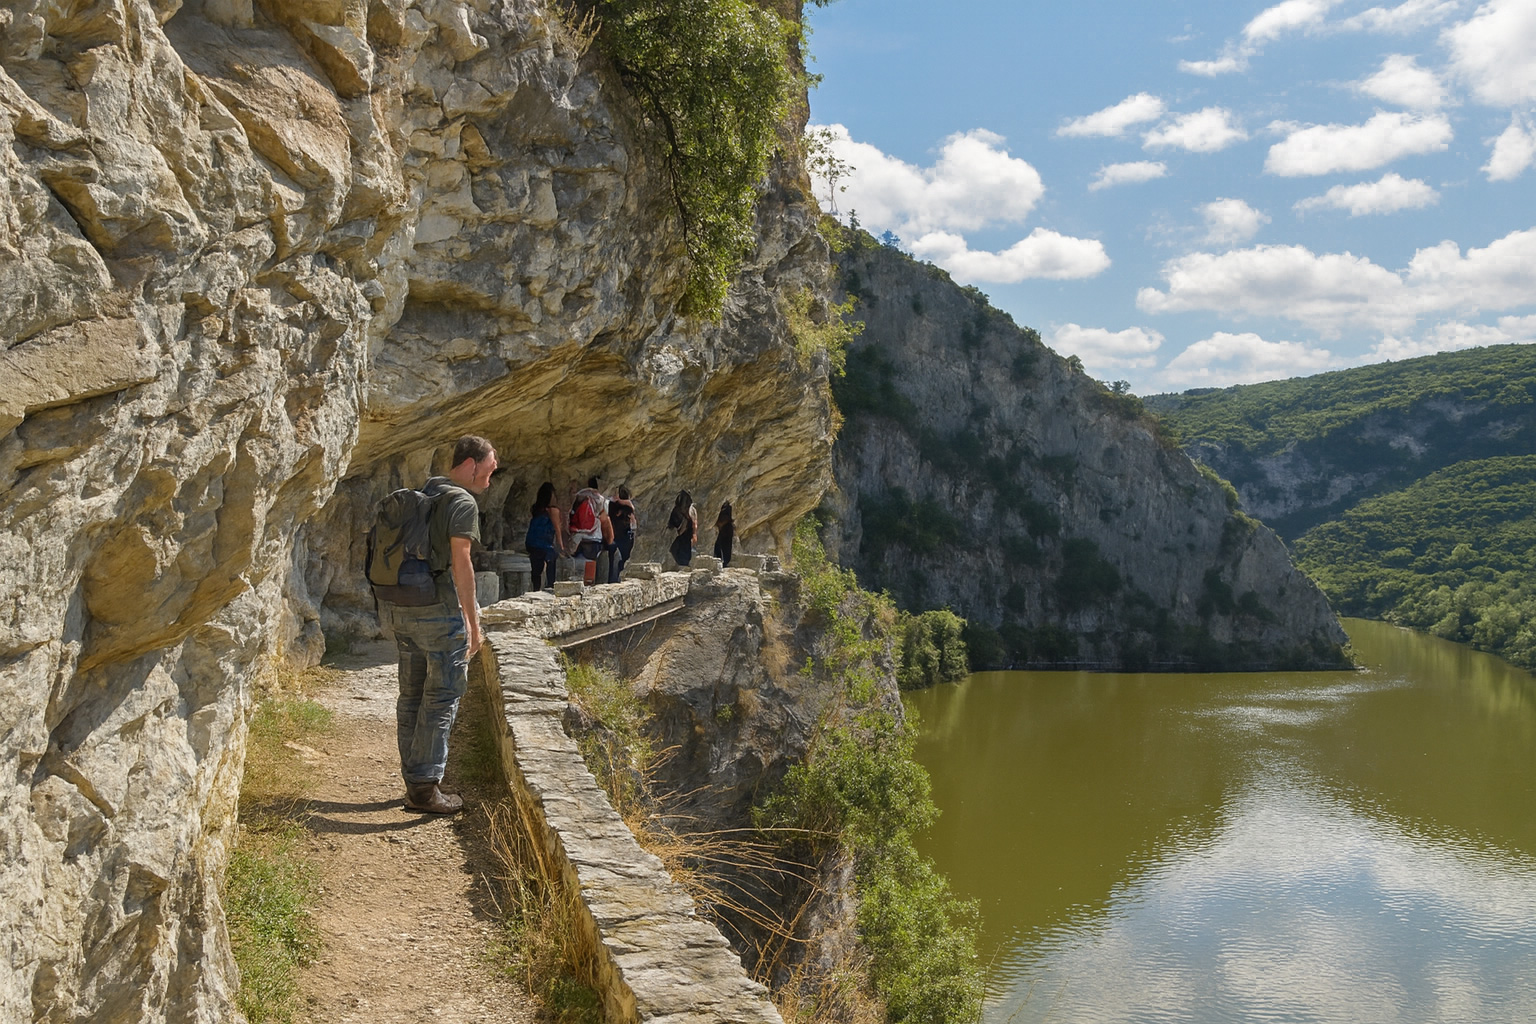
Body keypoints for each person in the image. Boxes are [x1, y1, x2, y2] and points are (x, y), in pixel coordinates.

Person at [382, 435, 496, 814]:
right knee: (442, 698)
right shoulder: (461, 502)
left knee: (410, 697)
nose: (489, 480)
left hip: (403, 609)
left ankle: (414, 780)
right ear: (470, 464)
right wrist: (473, 623)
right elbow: (462, 563)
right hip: (439, 612)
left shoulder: (422, 495)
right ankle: (425, 790)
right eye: (489, 470)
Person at [524, 481, 565, 591]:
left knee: (536, 568)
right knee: (552, 556)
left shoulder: (536, 509)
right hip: (543, 544)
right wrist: (561, 547)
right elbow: (557, 529)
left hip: (531, 543)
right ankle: (550, 586)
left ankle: (536, 588)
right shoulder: (553, 510)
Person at [568, 478, 608, 584]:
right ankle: (588, 585)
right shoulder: (601, 499)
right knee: (591, 563)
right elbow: (604, 519)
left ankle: (575, 583)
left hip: (578, 535)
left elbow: (571, 512)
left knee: (576, 563)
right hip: (594, 536)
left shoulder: (579, 495)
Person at [607, 485, 638, 582]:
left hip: (614, 534)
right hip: (624, 536)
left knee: (613, 559)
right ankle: (617, 578)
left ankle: (613, 579)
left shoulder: (612, 505)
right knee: (623, 559)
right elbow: (633, 524)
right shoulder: (628, 508)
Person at [667, 489, 697, 568]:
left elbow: (694, 522)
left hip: (686, 533)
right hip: (684, 533)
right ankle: (682, 564)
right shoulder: (689, 509)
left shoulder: (690, 510)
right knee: (676, 548)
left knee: (681, 549)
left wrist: (694, 533)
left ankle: (683, 565)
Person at [713, 501, 734, 567]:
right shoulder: (727, 509)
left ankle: (724, 562)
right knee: (721, 546)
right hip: (725, 529)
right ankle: (722, 561)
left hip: (726, 529)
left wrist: (720, 525)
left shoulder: (726, 510)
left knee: (724, 546)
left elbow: (726, 519)